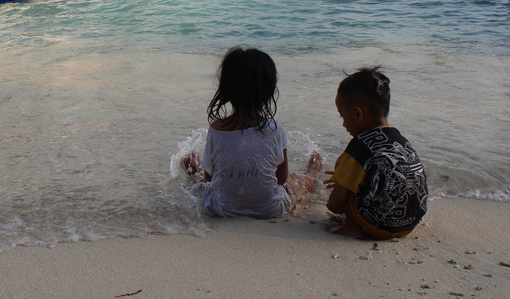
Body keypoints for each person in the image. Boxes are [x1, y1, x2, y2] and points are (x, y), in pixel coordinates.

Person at [182, 45, 323, 218]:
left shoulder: (216, 130)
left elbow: (210, 178)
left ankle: (192, 166)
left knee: (203, 186)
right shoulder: (276, 130)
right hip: (270, 209)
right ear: (269, 92)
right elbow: (280, 179)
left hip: (221, 209)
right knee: (295, 183)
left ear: (226, 91)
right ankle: (314, 169)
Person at [326, 66, 428, 239]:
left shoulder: (359, 146)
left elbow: (334, 206)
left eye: (342, 116)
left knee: (343, 162)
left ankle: (351, 226)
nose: (343, 124)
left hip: (378, 226)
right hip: (411, 221)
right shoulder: (401, 141)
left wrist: (340, 185)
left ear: (357, 113)